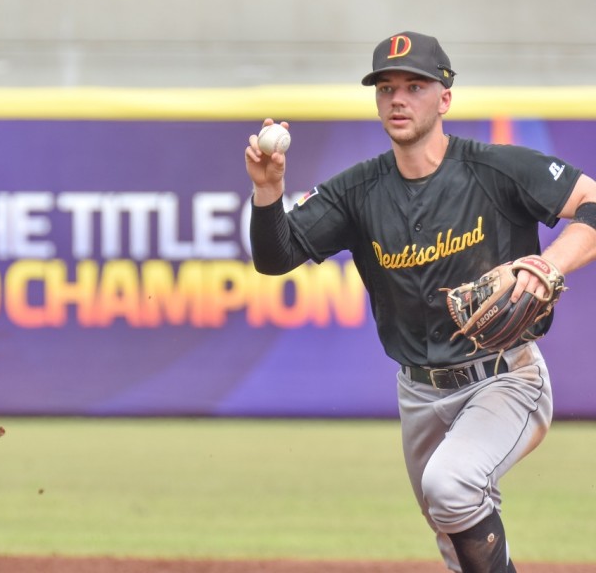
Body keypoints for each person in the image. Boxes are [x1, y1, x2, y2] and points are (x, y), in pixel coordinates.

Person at [244, 31, 596, 573]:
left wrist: (550, 264)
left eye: (414, 86)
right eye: (385, 88)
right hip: (418, 392)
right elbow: (276, 257)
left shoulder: (496, 169)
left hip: (505, 377)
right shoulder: (357, 192)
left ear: (445, 98)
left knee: (450, 485)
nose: (398, 99)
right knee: (454, 531)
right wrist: (268, 191)